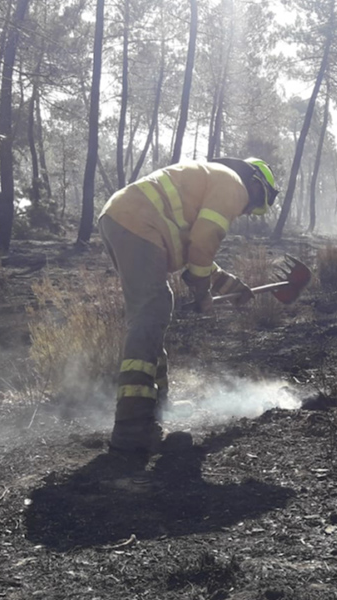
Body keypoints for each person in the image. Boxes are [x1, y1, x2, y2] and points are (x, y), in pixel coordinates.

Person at [98, 157, 279, 457]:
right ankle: (131, 426)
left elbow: (194, 245)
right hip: (136, 223)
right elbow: (205, 240)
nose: (246, 210)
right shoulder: (233, 184)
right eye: (255, 203)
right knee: (150, 314)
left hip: (123, 219)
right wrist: (201, 291)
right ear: (255, 184)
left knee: (155, 310)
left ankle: (156, 408)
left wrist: (229, 287)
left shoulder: (211, 178)